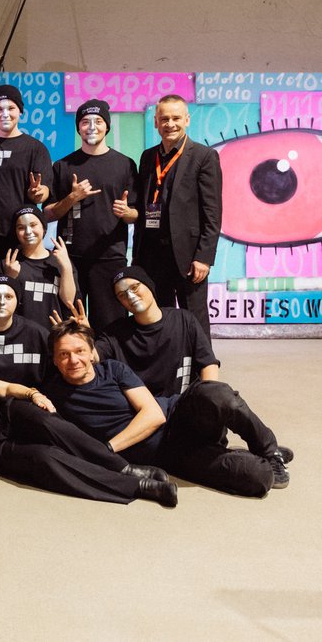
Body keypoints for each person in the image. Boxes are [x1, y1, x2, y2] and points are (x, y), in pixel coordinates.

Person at [0, 325, 176, 506]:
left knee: (48, 422)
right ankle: (137, 486)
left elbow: (4, 388)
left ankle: (123, 467)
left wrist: (32, 394)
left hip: (6, 415)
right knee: (46, 459)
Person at [94, 267, 291, 488]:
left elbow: (208, 365)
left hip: (187, 409)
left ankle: (269, 450)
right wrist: (82, 337)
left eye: (134, 287)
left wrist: (214, 404)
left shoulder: (183, 320)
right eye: (122, 294)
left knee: (219, 394)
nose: (130, 296)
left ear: (148, 286)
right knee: (251, 475)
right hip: (154, 428)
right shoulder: (114, 334)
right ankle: (252, 459)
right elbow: (91, 356)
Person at [46, 318, 289, 497]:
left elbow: (153, 415)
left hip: (178, 416)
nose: (73, 360)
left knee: (218, 393)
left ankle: (269, 450)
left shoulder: (112, 369)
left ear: (91, 353)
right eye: (64, 354)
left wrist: (107, 449)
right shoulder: (54, 395)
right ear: (55, 360)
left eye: (79, 351)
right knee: (258, 478)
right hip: (171, 454)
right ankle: (246, 457)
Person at [133, 94, 222, 340]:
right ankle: (167, 367)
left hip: (188, 256)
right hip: (152, 255)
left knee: (193, 316)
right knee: (159, 314)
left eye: (175, 118)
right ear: (155, 122)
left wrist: (204, 258)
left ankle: (203, 371)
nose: (170, 124)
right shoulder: (148, 157)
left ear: (187, 120)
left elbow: (212, 213)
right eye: (164, 119)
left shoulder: (204, 156)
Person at [45, 99, 137, 328]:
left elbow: (136, 214)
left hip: (110, 256)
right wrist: (72, 197)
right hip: (71, 258)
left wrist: (126, 212)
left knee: (112, 325)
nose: (92, 126)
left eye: (98, 121)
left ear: (107, 126)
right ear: (78, 127)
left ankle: (108, 365)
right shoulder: (63, 166)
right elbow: (48, 214)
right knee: (70, 324)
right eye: (85, 122)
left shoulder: (125, 164)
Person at [0, 84, 52, 276]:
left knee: (11, 295)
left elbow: (44, 191)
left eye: (11, 108)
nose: (5, 114)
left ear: (21, 112)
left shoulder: (35, 148)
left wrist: (39, 193)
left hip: (17, 236)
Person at [1, 206, 77, 327]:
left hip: (54, 335)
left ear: (44, 228)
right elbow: (0, 305)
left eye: (33, 225)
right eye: (21, 227)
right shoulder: (9, 263)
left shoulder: (61, 261)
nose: (28, 231)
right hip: (19, 334)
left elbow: (69, 302)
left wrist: (66, 268)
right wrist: (9, 278)